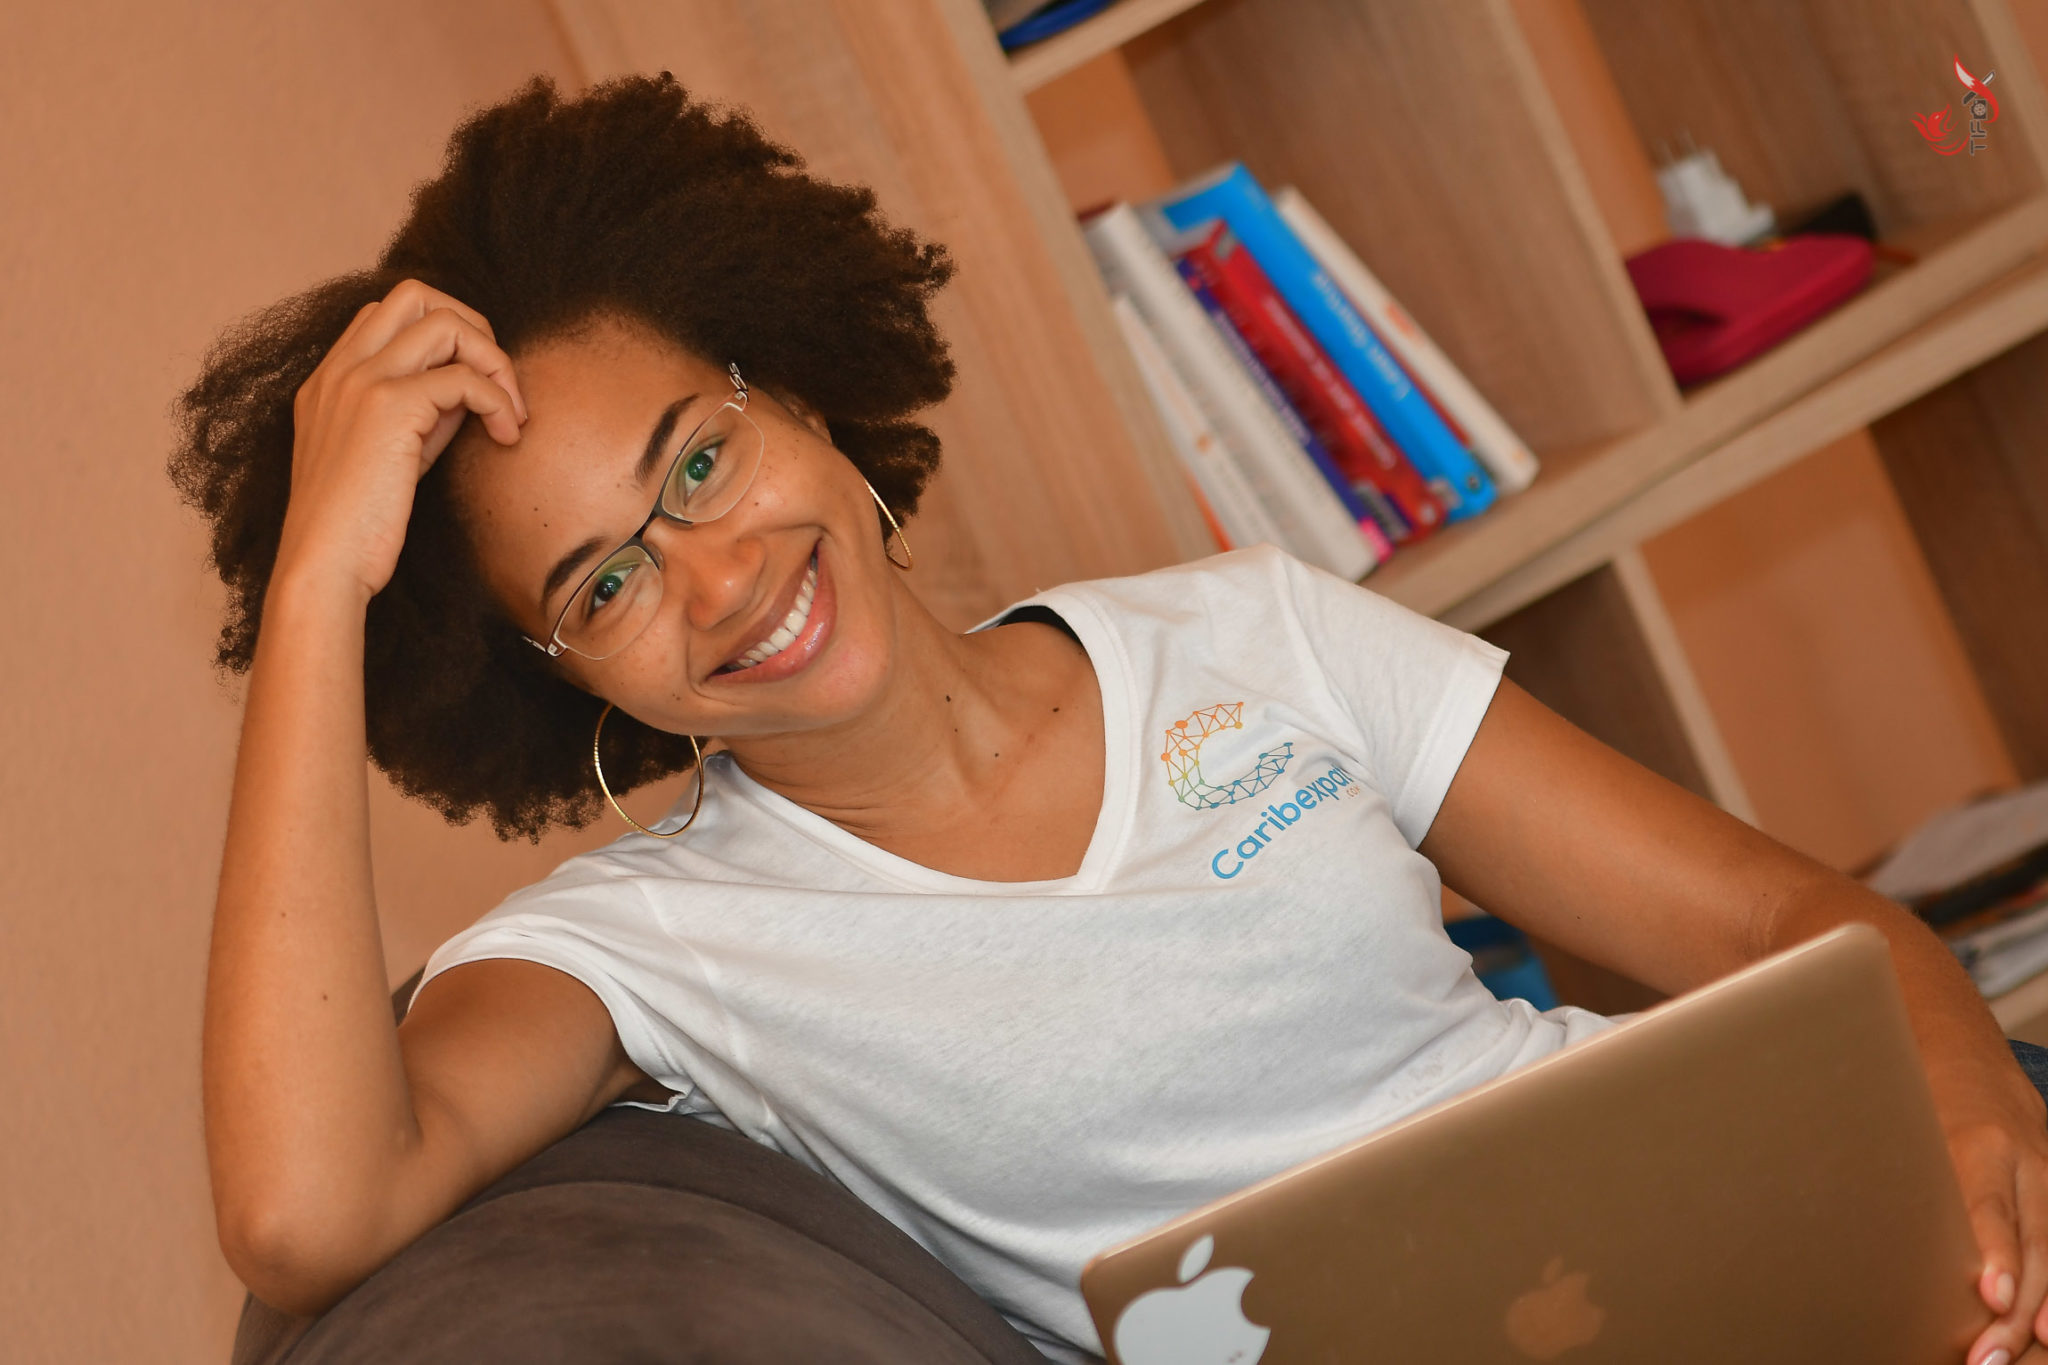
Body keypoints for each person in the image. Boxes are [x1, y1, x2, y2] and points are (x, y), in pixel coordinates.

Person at [173, 73, 2048, 1365]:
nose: (719, 578)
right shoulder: (647, 949)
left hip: (1750, 1263)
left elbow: (1772, 917)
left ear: (797, 393)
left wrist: (1974, 1138)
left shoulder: (1252, 628)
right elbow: (307, 1214)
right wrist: (325, 582)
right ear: (563, 678)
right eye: (604, 585)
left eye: (704, 460)